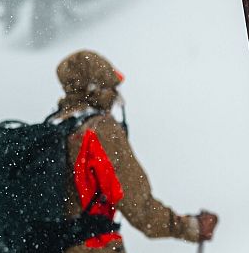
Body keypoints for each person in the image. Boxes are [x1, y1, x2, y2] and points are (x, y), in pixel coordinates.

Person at [56, 50, 218, 252]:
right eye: (112, 87)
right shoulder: (99, 131)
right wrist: (191, 227)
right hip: (93, 246)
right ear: (99, 88)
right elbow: (139, 208)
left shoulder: (59, 130)